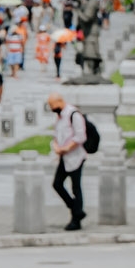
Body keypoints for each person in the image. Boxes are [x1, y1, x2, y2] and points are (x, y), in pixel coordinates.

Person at [47, 91, 87, 230]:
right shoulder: (60, 116)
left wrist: (66, 148)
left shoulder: (73, 114)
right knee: (57, 184)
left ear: (59, 102)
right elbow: (57, 134)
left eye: (52, 105)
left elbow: (80, 136)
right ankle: (76, 210)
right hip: (64, 157)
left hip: (76, 156)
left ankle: (76, 220)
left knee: (76, 187)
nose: (51, 108)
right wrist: (57, 146)